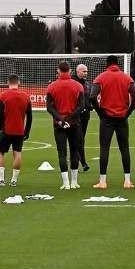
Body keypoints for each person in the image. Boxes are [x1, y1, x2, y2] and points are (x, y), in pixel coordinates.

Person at [90, 55, 135, 190]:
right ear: (117, 64)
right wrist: (128, 112)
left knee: (104, 148)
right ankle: (127, 181)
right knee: (124, 148)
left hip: (106, 118)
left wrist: (100, 113)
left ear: (107, 64)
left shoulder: (101, 77)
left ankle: (102, 181)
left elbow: (92, 96)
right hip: (122, 117)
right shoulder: (126, 78)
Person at [46, 61, 85, 190]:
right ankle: (74, 182)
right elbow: (81, 106)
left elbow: (49, 107)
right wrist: (70, 118)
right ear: (70, 71)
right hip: (74, 124)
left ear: (58, 71)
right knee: (74, 151)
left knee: (62, 152)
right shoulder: (78, 86)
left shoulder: (51, 86)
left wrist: (61, 119)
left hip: (59, 124)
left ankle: (66, 183)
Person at [0, 74, 32, 186]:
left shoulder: (3, 95)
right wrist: (27, 131)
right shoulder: (26, 96)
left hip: (6, 129)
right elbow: (30, 117)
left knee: (0, 152)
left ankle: (1, 180)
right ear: (19, 82)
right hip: (19, 131)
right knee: (17, 153)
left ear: (8, 82)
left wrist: (2, 128)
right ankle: (14, 180)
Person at [71, 63, 92, 171]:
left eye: (86, 71)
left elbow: (88, 98)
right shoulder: (72, 82)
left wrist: (90, 106)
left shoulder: (87, 84)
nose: (86, 73)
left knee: (81, 138)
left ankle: (79, 160)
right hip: (76, 115)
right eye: (84, 71)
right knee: (78, 139)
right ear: (78, 71)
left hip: (85, 115)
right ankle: (82, 162)